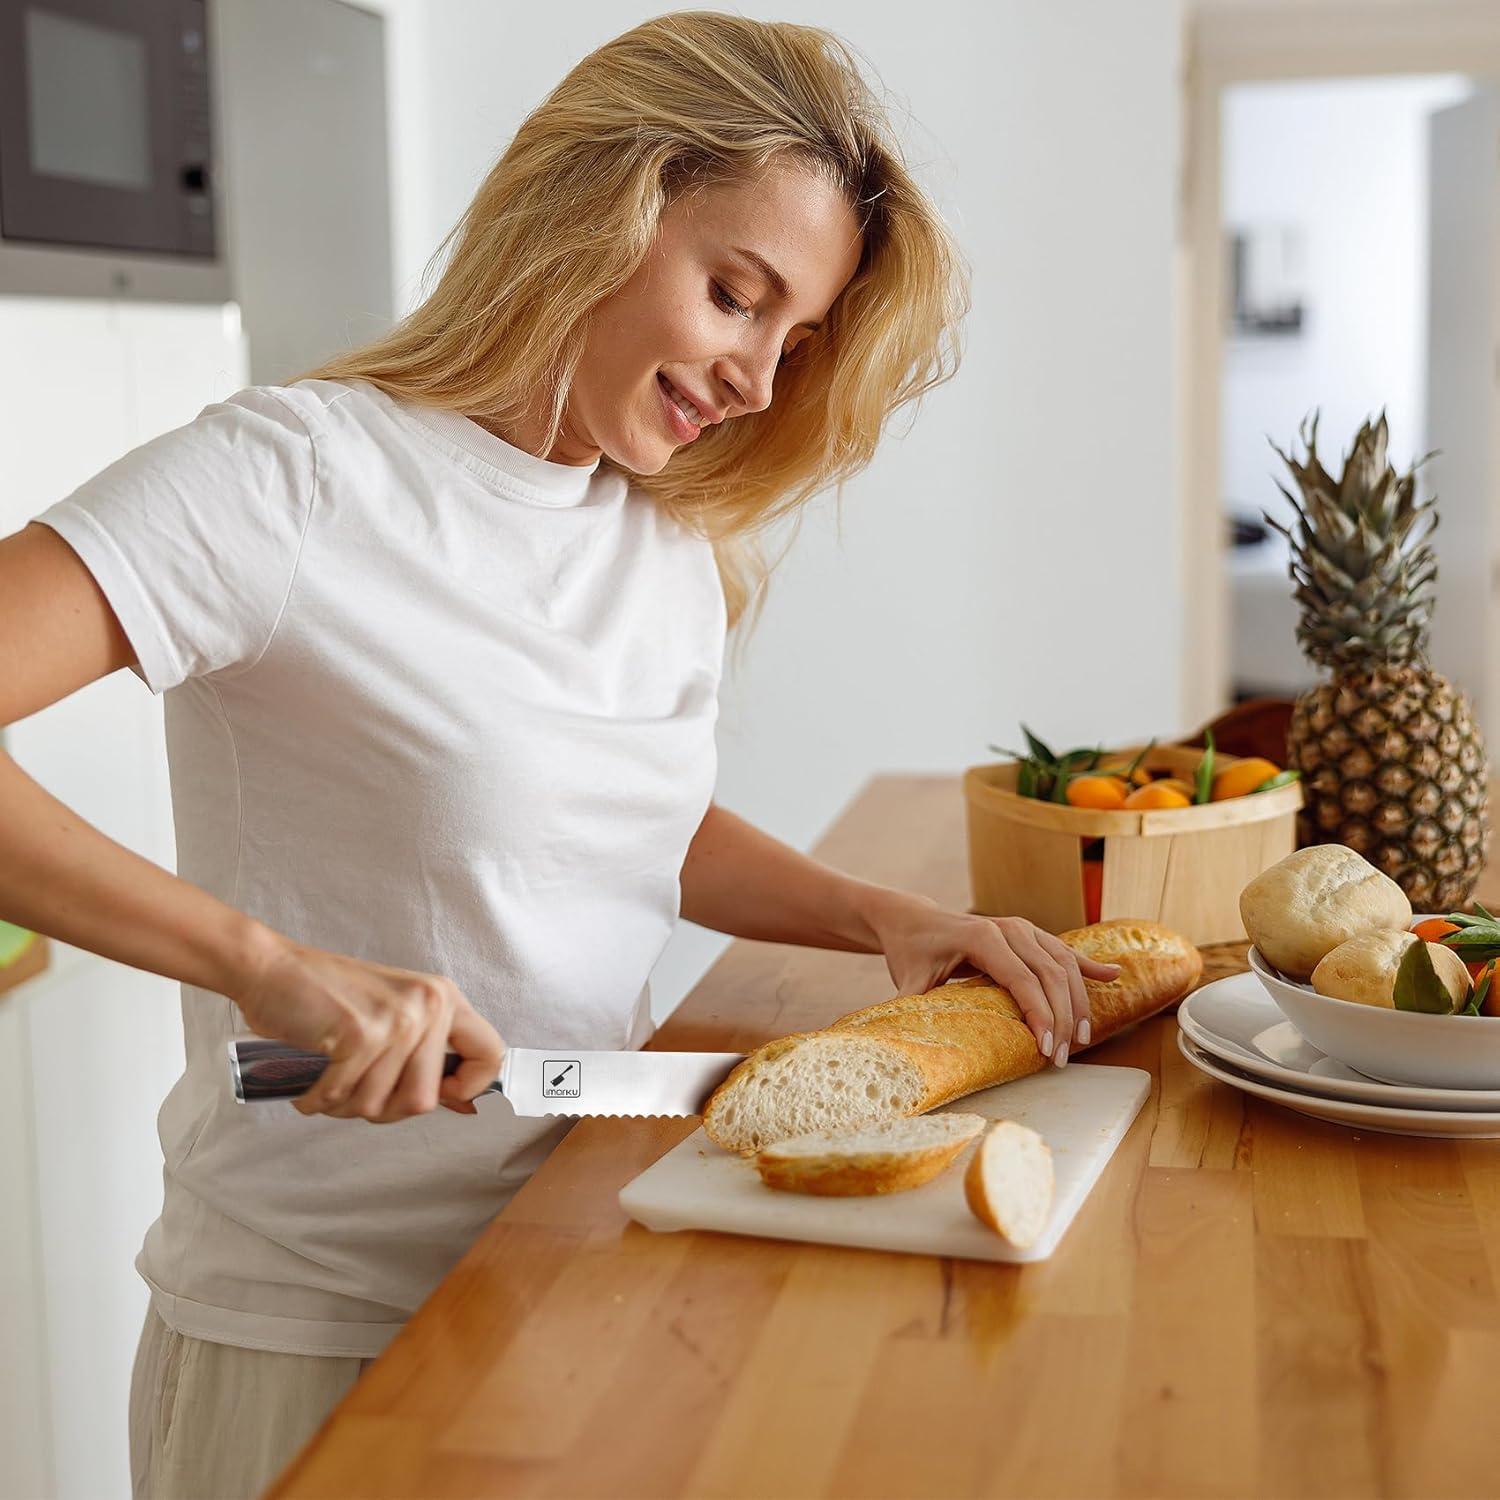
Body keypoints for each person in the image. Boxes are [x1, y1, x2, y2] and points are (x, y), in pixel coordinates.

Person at [0, 13, 1117, 1499]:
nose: (758, 379)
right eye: (735, 296)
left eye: (793, 342)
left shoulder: (656, 539)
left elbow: (615, 822)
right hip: (324, 1331)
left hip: (591, 1254)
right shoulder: (298, 479)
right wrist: (265, 966)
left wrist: (884, 919)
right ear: (606, 206)